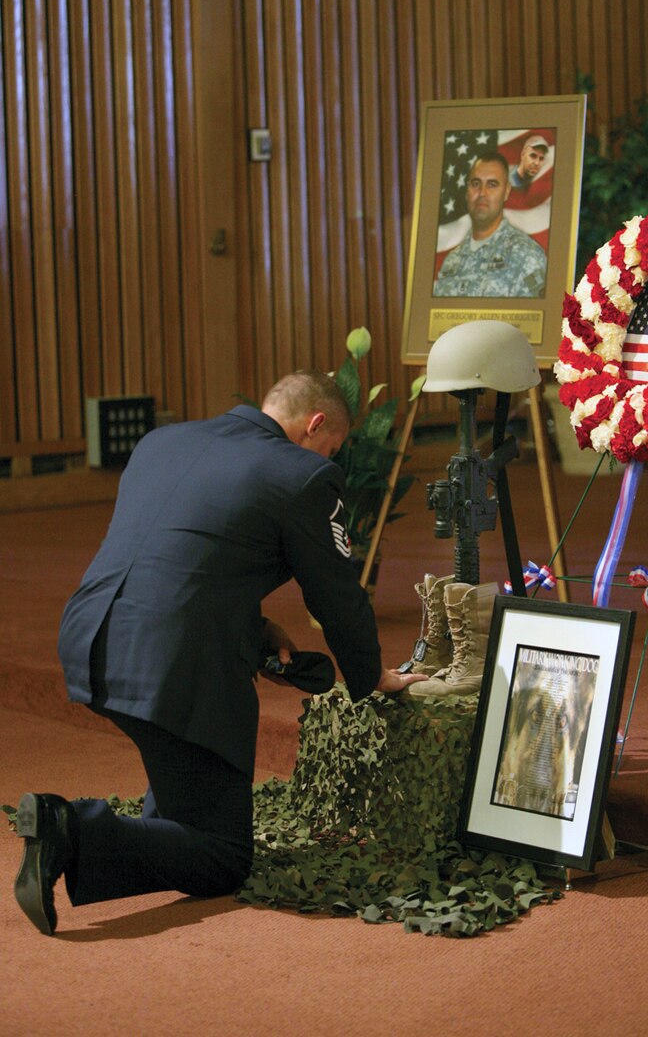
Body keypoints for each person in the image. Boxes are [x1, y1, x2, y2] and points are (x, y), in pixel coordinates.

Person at [13, 370, 427, 936]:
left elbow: (175, 557)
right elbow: (337, 593)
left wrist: (255, 628)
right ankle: (68, 827)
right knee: (222, 855)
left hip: (90, 638)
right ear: (316, 424)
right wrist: (371, 673)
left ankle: (98, 829)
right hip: (174, 667)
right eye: (333, 446)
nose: (332, 456)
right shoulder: (304, 473)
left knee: (186, 778)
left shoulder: (163, 442)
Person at [433, 151, 546, 298]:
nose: (482, 193)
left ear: (506, 192)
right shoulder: (452, 261)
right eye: (475, 184)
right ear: (467, 191)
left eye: (492, 185)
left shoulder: (527, 255)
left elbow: (536, 318)